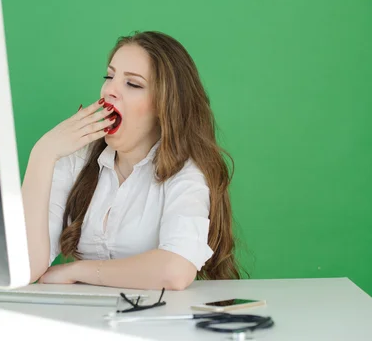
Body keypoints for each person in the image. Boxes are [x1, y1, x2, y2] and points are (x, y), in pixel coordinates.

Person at [21, 31, 240, 291]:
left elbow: (174, 271)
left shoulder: (186, 172)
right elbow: (24, 266)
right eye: (109, 76)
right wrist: (42, 155)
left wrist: (77, 270)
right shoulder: (76, 160)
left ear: (164, 106)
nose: (110, 90)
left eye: (133, 84)